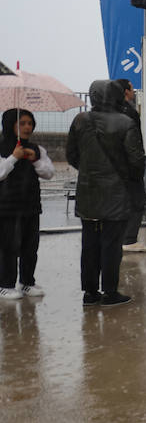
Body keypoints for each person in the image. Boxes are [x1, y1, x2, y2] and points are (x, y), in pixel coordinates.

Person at [67, 80, 145, 306]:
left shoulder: (80, 120)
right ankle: (110, 291)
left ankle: (90, 292)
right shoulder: (125, 122)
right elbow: (136, 160)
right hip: (116, 191)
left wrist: (89, 170)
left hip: (88, 189)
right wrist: (126, 177)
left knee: (89, 243)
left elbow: (71, 154)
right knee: (111, 244)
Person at [0, 108, 55, 300]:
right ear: (10, 125)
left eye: (29, 123)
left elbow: (49, 173)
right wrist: (14, 157)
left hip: (30, 206)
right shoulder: (2, 148)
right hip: (7, 208)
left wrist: (35, 159)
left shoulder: (37, 149)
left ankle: (27, 282)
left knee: (30, 247)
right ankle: (5, 284)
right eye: (21, 123)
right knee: (8, 247)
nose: (27, 127)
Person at [115, 78, 146, 253]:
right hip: (129, 166)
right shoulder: (130, 112)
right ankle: (129, 239)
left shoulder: (110, 111)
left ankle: (120, 238)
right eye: (131, 88)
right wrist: (139, 165)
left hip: (115, 167)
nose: (134, 91)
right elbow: (134, 142)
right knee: (137, 201)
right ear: (125, 92)